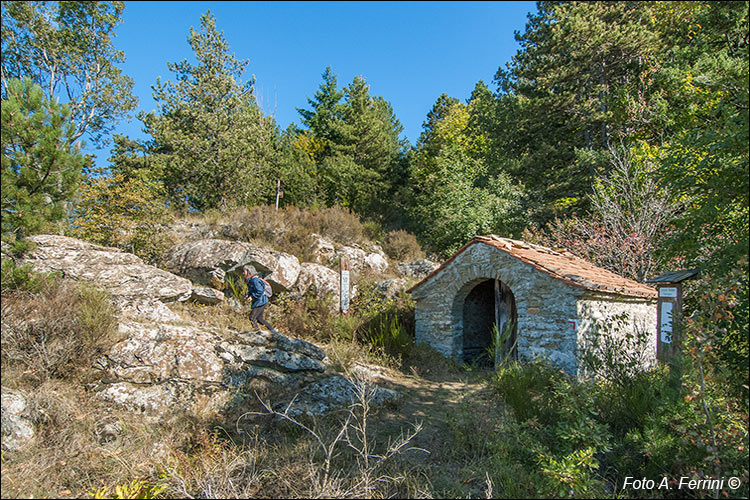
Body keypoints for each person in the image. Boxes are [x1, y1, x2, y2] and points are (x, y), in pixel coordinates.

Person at [243, 265, 279, 334]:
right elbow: (254, 291)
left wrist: (252, 297)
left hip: (260, 301)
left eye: (244, 271)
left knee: (252, 317)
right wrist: (249, 295)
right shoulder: (251, 280)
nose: (243, 273)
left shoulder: (254, 280)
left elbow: (259, 291)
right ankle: (272, 330)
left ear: (249, 272)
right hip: (261, 301)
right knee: (259, 319)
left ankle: (256, 332)